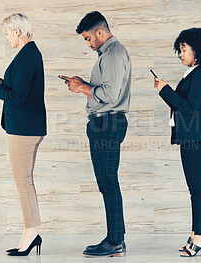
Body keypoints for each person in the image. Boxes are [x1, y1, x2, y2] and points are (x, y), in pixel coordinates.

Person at [60, 11, 131, 257]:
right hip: (105, 123)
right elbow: (103, 89)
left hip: (107, 123)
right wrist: (83, 84)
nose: (89, 44)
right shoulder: (109, 54)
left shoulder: (112, 54)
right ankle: (116, 239)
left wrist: (80, 88)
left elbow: (109, 96)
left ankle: (115, 242)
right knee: (108, 183)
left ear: (100, 31)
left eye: (89, 39)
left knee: (108, 184)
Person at [0, 13, 46, 256]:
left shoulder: (28, 56)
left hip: (24, 130)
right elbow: (19, 89)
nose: (6, 38)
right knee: (25, 181)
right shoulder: (29, 54)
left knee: (23, 182)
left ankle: (30, 232)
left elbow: (18, 98)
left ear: (17, 31)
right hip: (26, 128)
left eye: (7, 33)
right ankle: (31, 231)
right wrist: (1, 81)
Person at [154, 27, 201, 257]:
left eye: (184, 49)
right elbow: (182, 106)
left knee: (197, 189)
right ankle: (196, 234)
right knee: (195, 189)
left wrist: (165, 90)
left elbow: (190, 107)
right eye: (179, 49)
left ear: (198, 49)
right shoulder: (193, 72)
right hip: (192, 136)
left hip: (197, 136)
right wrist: (166, 92)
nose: (180, 53)